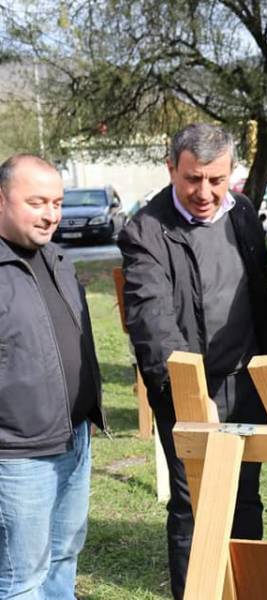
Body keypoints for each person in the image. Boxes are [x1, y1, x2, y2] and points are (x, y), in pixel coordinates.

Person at [118, 123, 267, 599]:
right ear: (172, 169)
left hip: (246, 381)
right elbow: (152, 321)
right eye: (192, 179)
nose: (205, 192)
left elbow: (255, 289)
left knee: (246, 495)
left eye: (216, 179)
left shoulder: (244, 213)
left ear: (230, 172)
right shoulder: (145, 231)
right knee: (193, 504)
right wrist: (188, 395)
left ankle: (246, 589)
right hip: (188, 390)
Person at [0, 154, 105, 598]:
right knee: (22, 579)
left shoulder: (57, 258)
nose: (51, 215)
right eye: (37, 202)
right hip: (20, 454)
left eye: (57, 203)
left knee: (64, 555)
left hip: (74, 438)